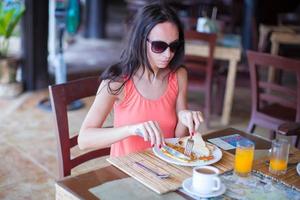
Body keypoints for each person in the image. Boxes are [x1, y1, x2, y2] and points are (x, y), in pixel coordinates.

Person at [78, 2, 203, 157]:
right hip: (127, 174)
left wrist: (184, 119)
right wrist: (130, 129)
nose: (168, 54)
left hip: (164, 169)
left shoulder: (178, 75)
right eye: (159, 46)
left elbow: (178, 139)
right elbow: (84, 140)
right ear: (141, 40)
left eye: (174, 46)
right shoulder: (117, 82)